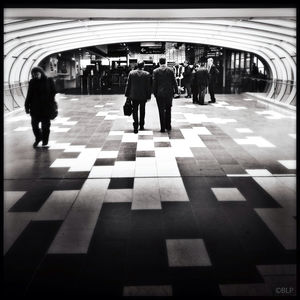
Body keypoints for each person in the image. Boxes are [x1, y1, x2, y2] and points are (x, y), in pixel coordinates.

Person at [25, 66, 57, 148]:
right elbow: (29, 94)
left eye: (37, 74)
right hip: (35, 108)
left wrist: (50, 101)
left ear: (41, 73)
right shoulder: (32, 82)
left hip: (46, 107)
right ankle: (38, 138)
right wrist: (26, 106)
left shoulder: (49, 80)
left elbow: (54, 91)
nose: (36, 76)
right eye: (34, 75)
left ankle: (45, 141)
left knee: (45, 126)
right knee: (34, 125)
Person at [125, 60, 151, 134]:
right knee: (142, 110)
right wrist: (148, 96)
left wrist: (127, 94)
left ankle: (135, 125)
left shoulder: (131, 73)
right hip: (143, 96)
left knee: (135, 110)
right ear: (143, 66)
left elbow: (128, 84)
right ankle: (142, 124)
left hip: (134, 95)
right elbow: (148, 86)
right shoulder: (147, 74)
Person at [153, 57, 178, 132]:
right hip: (169, 93)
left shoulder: (155, 71)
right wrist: (176, 91)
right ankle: (168, 125)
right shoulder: (170, 70)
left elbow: (154, 84)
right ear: (165, 62)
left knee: (161, 110)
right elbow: (174, 81)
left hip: (159, 94)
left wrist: (155, 93)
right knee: (168, 109)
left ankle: (162, 127)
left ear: (159, 63)